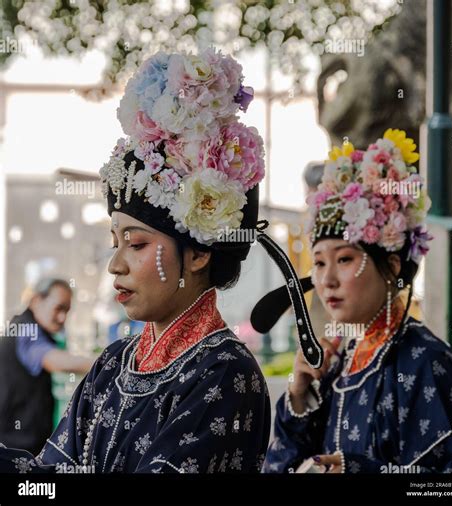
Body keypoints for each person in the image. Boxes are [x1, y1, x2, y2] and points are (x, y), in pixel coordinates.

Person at [0, 48, 318, 473]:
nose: (115, 264)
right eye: (115, 242)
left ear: (200, 251)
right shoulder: (113, 363)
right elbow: (47, 477)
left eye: (136, 244)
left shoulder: (225, 375)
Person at [258, 129, 452, 473]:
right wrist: (299, 397)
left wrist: (357, 470)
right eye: (320, 262)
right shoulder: (337, 359)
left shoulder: (427, 363)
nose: (326, 280)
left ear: (392, 266)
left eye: (344, 260)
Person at [0, 278, 95, 455]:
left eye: (67, 311)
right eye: (58, 308)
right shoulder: (26, 329)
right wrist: (107, 361)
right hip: (16, 447)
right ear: (36, 301)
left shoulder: (27, 327)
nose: (62, 318)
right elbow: (52, 360)